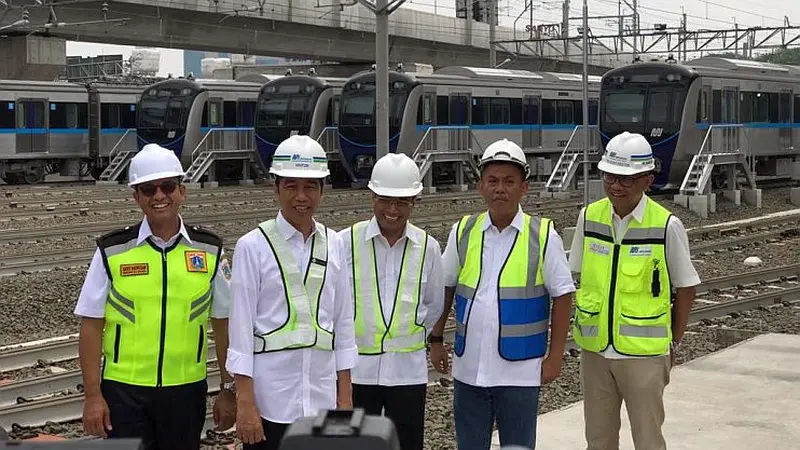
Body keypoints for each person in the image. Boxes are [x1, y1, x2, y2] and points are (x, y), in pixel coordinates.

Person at [75, 144, 236, 450]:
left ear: (182, 191)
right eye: (148, 189)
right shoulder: (112, 250)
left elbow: (225, 324)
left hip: (186, 392)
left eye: (167, 187)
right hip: (124, 394)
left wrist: (228, 389)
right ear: (137, 197)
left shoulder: (210, 250)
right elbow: (91, 325)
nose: (159, 196)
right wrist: (93, 396)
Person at [429, 139, 576, 450]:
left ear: (524, 187)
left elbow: (563, 297)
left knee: (518, 447)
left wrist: (555, 358)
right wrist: (436, 339)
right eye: (493, 181)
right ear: (481, 186)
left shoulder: (543, 235)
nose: (500, 189)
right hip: (469, 370)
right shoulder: (463, 231)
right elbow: (445, 286)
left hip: (520, 372)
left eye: (509, 182)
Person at [569, 131, 700, 450]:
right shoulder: (589, 218)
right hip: (596, 353)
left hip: (644, 357)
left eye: (626, 179)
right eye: (609, 176)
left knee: (648, 440)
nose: (615, 185)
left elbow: (686, 289)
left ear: (647, 180)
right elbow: (575, 275)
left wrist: (674, 344)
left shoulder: (665, 225)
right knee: (598, 440)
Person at [226, 135, 357, 450]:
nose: (302, 197)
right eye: (291, 186)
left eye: (311, 186)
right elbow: (240, 332)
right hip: (272, 404)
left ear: (322, 190)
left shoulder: (336, 244)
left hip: (322, 399)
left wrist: (345, 398)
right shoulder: (252, 247)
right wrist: (245, 405)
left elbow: (343, 323)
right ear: (276, 189)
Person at [338, 153, 444, 450]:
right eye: (385, 200)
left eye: (402, 202)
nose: (392, 209)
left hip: (407, 374)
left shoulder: (428, 248)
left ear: (414, 202)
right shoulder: (345, 242)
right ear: (372, 197)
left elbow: (434, 304)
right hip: (357, 374)